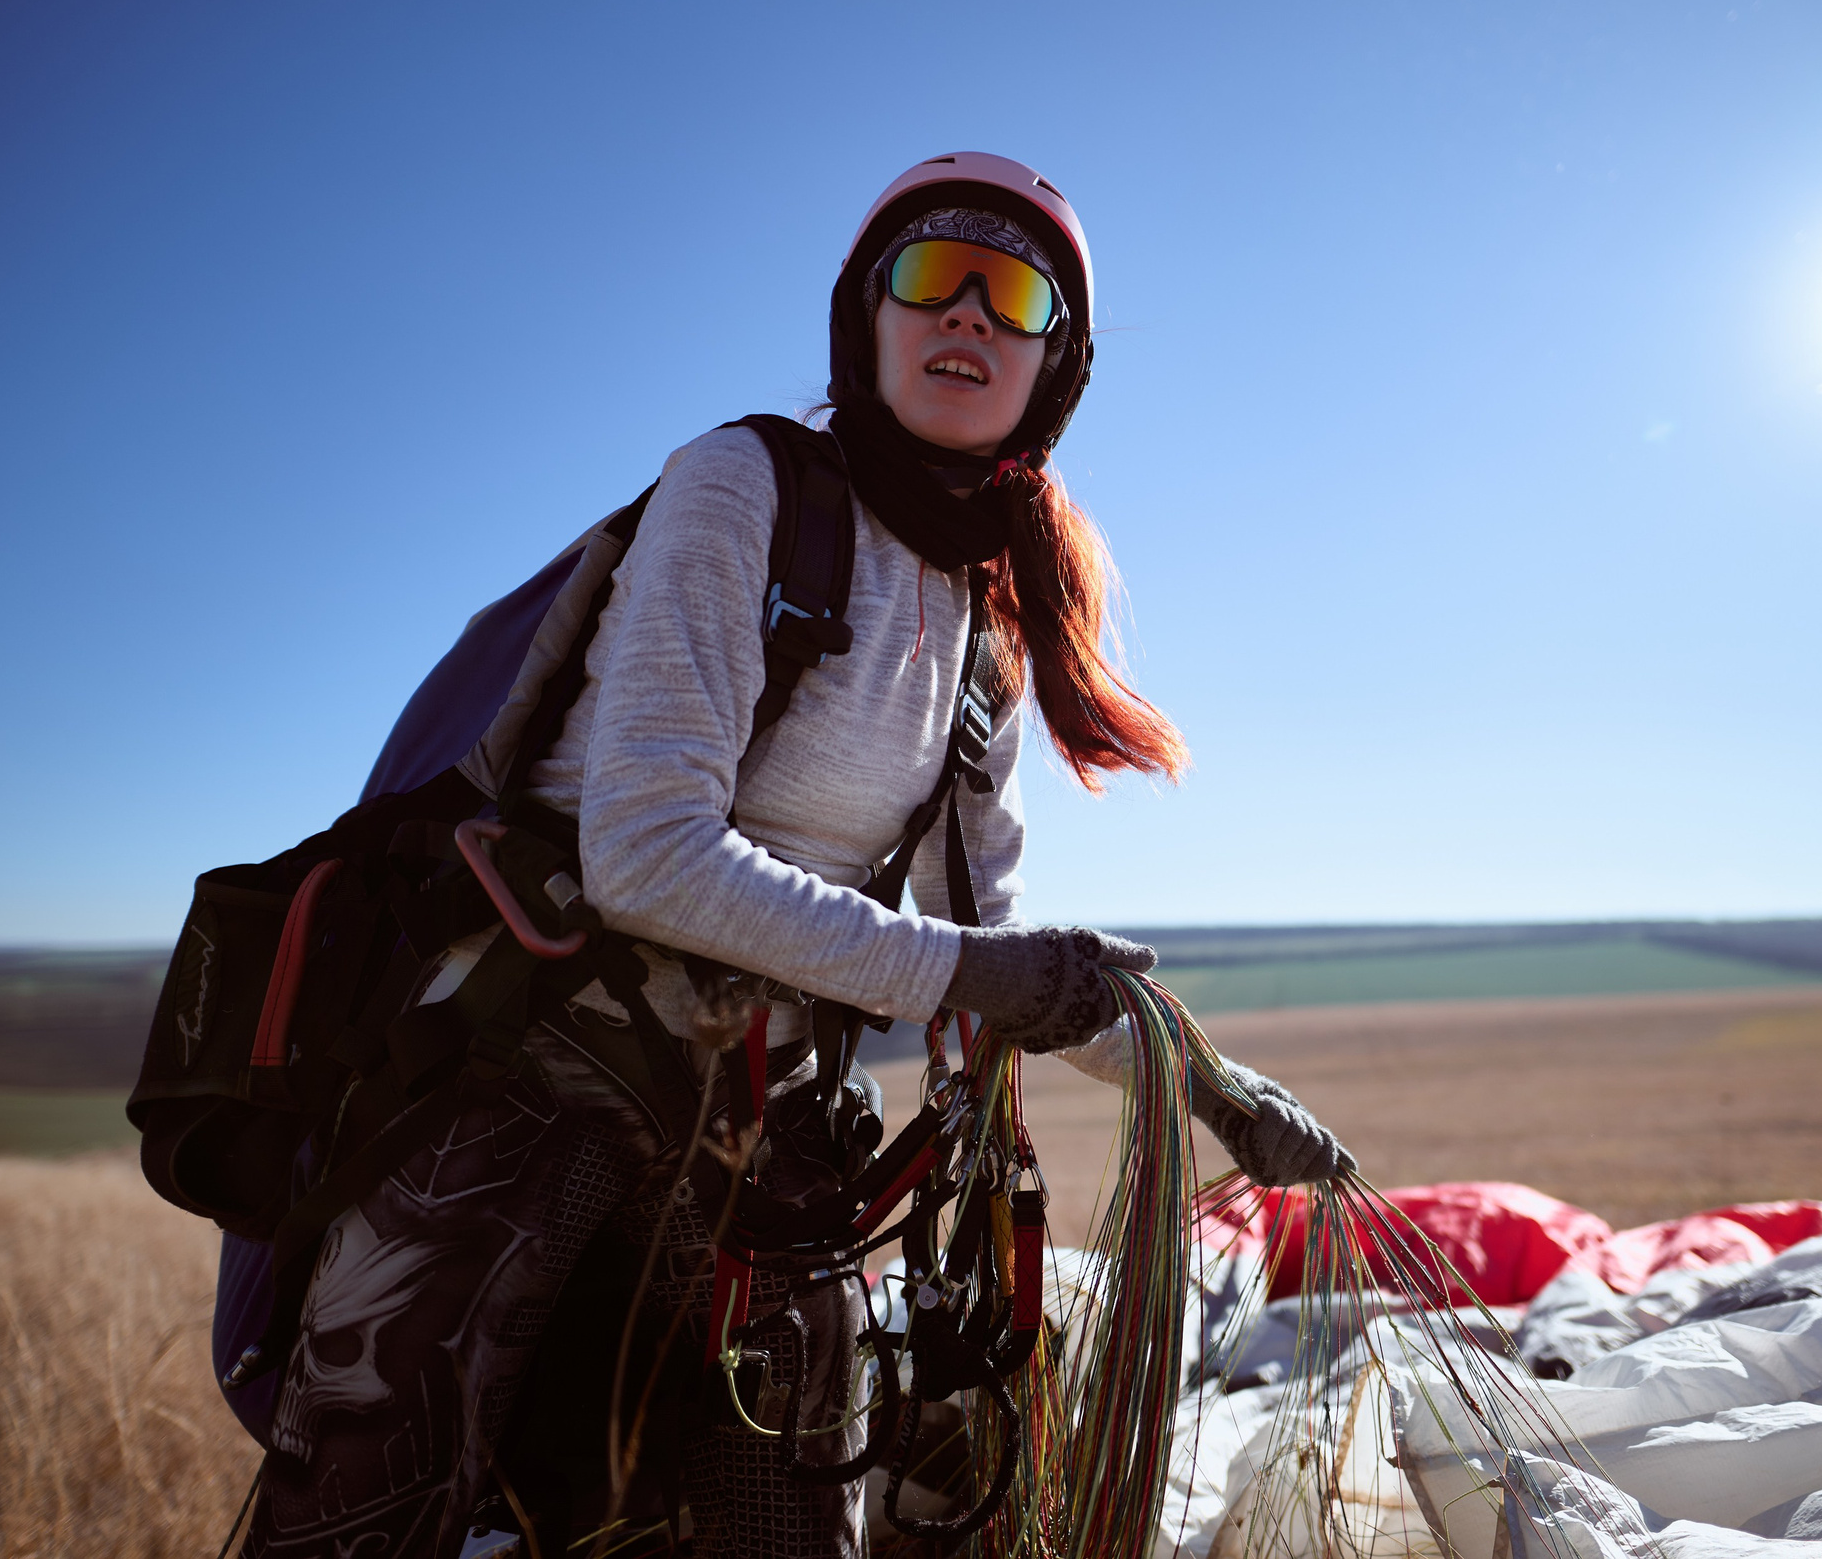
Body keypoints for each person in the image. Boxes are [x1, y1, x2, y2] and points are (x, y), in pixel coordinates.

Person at [240, 153, 1345, 1559]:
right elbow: (646, 854)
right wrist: (977, 970)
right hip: (528, 1094)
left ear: (1052, 366)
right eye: (924, 276)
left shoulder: (983, 637)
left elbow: (987, 958)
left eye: (1011, 292)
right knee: (377, 1523)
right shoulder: (744, 484)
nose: (964, 313)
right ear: (862, 319)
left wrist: (1215, 1090)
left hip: (768, 1157)